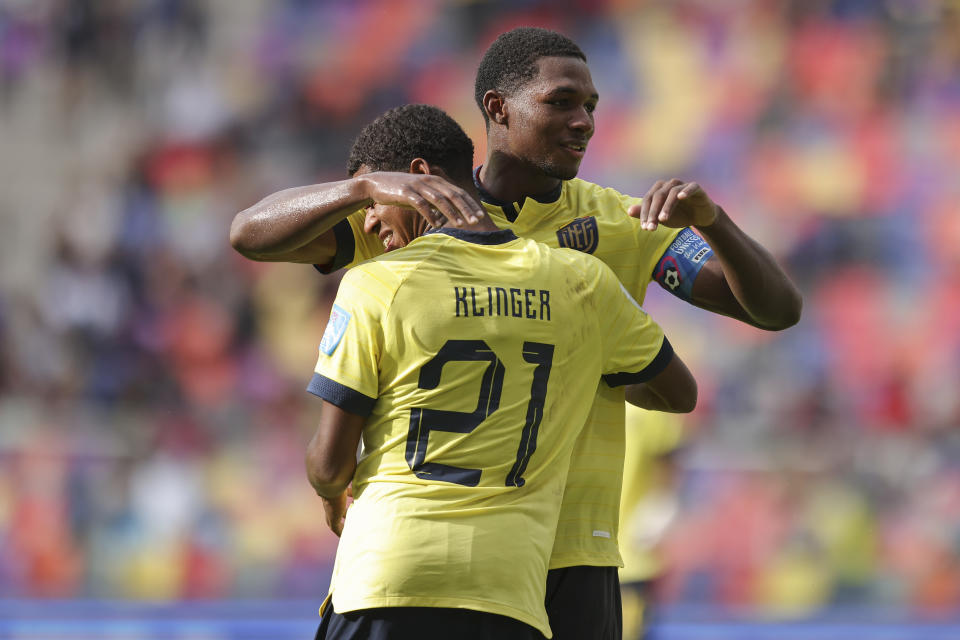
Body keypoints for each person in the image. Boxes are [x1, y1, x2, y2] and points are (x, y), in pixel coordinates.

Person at [230, 27, 802, 639]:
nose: (584, 121)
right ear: (498, 109)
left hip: (574, 546)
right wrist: (365, 187)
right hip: (452, 551)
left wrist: (713, 222)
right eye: (561, 102)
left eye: (591, 107)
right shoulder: (415, 212)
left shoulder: (623, 222)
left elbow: (774, 310)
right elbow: (250, 235)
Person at [300, 104, 697, 640]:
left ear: (417, 182)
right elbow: (679, 391)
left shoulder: (379, 282)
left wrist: (329, 492)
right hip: (511, 590)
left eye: (373, 202)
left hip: (388, 575)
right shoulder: (580, 281)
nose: (369, 222)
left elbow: (330, 464)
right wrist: (587, 370)